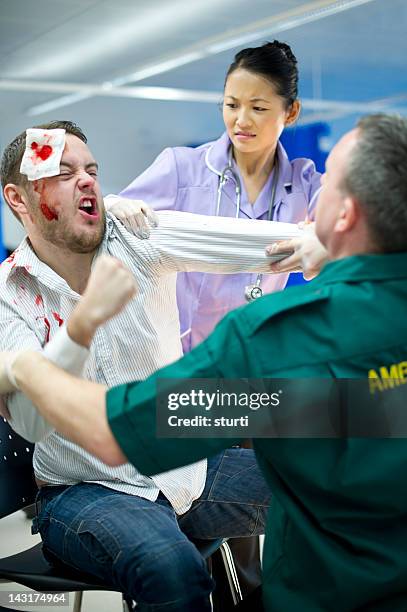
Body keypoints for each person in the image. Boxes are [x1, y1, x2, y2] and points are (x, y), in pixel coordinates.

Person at [2, 113, 407, 611]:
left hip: (181, 465)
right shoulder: (9, 294)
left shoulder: (141, 236)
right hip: (87, 489)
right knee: (173, 568)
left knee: (303, 483)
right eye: (63, 174)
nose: (87, 179)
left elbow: (124, 426)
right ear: (17, 199)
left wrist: (30, 365)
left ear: (346, 216)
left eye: (91, 169)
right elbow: (31, 422)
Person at [106, 40, 325, 594]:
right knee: (207, 504)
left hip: (251, 373)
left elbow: (346, 233)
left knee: (258, 517)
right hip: (183, 372)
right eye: (231, 104)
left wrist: (321, 240)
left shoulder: (303, 183)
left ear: (290, 113)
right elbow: (98, 226)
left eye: (258, 106)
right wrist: (115, 205)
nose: (241, 120)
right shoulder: (183, 169)